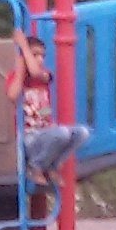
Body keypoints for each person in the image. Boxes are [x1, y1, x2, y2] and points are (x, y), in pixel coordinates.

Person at [14, 33, 87, 183]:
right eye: (35, 55)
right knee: (61, 133)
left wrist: (46, 120)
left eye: (43, 56)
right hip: (28, 138)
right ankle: (35, 166)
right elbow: (12, 95)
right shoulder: (17, 78)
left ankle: (53, 165)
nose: (40, 59)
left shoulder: (45, 75)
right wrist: (23, 54)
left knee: (81, 133)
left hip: (43, 134)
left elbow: (44, 107)